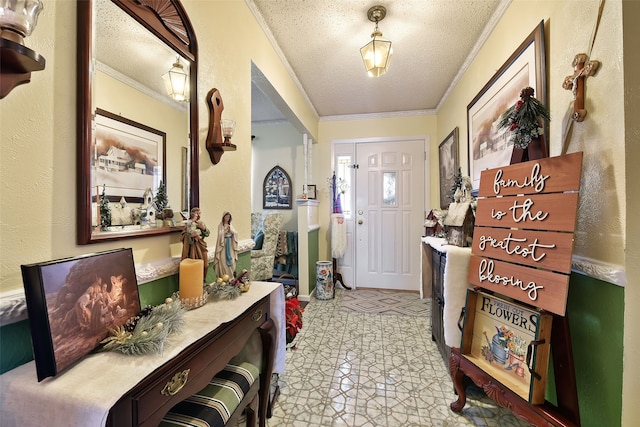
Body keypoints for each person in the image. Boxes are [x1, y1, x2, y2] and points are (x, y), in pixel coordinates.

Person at [181, 207, 210, 279]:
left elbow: (207, 233)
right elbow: (184, 235)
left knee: (205, 265)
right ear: (193, 214)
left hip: (201, 245)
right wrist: (191, 236)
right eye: (197, 213)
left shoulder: (201, 223)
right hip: (193, 247)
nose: (198, 215)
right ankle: (196, 283)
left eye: (199, 213)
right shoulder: (189, 223)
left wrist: (204, 229)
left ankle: (203, 280)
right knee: (195, 266)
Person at [214, 211, 238, 279]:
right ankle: (224, 277)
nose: (227, 218)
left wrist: (231, 231)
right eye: (226, 217)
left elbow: (235, 233)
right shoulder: (220, 226)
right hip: (223, 245)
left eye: (228, 217)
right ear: (223, 217)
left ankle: (231, 277)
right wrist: (225, 231)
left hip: (230, 243)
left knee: (232, 260)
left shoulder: (231, 225)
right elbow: (220, 235)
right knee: (223, 260)